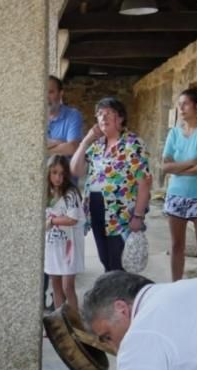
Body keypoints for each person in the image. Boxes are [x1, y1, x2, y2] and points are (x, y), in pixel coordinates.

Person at [70, 97, 150, 273]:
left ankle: (121, 298)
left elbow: (144, 182)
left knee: (118, 262)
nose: (103, 118)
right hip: (96, 208)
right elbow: (75, 170)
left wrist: (138, 215)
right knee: (105, 259)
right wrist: (85, 141)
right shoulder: (97, 145)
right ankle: (113, 297)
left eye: (108, 113)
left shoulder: (132, 143)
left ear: (120, 118)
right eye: (99, 114)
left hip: (120, 212)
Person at [161, 83, 197, 280]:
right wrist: (191, 162)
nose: (181, 108)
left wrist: (178, 168)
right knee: (177, 245)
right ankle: (175, 285)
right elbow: (165, 166)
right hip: (176, 194)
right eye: (179, 105)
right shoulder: (174, 133)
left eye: (185, 104)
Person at [44, 155, 84, 310]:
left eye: (61, 174)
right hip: (53, 246)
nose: (58, 178)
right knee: (56, 287)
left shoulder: (71, 194)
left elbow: (72, 219)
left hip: (69, 247)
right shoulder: (47, 193)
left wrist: (52, 221)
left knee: (68, 287)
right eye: (54, 173)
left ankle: (75, 324)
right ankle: (60, 322)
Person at [47, 75, 84, 157]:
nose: (46, 97)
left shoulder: (73, 115)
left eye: (51, 92)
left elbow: (72, 148)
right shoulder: (34, 119)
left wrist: (41, 150)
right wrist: (61, 143)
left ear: (61, 94)